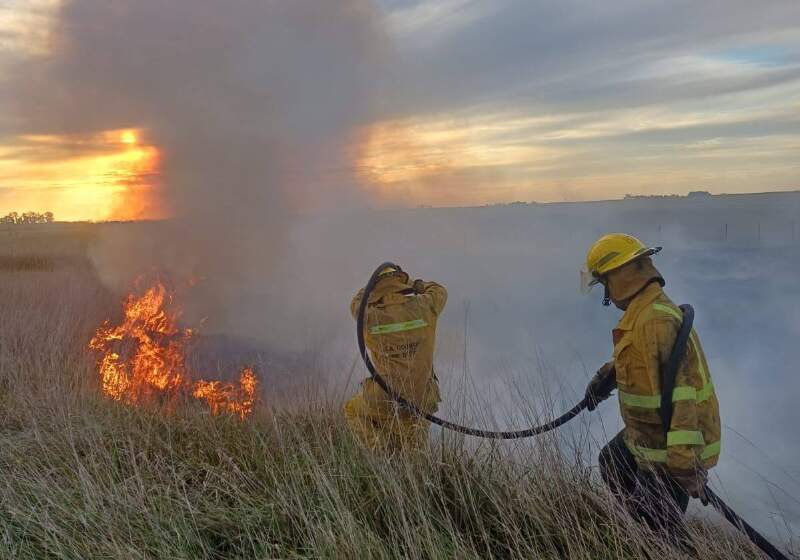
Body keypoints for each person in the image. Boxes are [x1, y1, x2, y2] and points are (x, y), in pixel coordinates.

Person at [581, 233, 721, 542]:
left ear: (620, 278)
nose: (606, 292)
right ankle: (639, 524)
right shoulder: (643, 311)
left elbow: (683, 397)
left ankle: (655, 536)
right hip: (649, 436)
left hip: (670, 449)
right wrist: (604, 379)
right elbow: (635, 357)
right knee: (612, 462)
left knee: (663, 533)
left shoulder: (655, 321)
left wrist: (684, 465)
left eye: (605, 283)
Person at [344, 266, 447, 453]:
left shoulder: (366, 317)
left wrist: (372, 289)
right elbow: (439, 290)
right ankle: (410, 470)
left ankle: (381, 454)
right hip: (421, 398)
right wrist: (411, 284)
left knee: (352, 409)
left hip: (384, 397)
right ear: (400, 283)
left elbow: (357, 301)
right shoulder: (425, 306)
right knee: (415, 453)